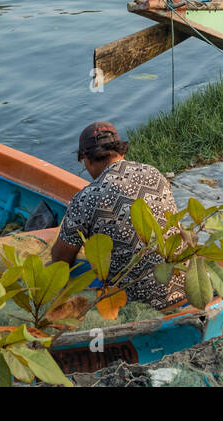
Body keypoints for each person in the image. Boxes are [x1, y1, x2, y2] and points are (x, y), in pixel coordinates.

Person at [50, 121, 187, 308]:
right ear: (121, 152)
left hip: (140, 303)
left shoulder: (86, 198)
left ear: (86, 159)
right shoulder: (154, 174)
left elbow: (61, 261)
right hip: (184, 287)